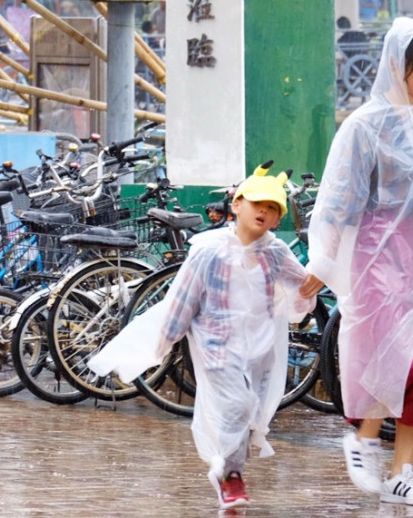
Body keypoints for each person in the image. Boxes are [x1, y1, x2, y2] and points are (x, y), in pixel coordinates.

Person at [299, 18, 413, 507]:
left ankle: (402, 471)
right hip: (380, 263)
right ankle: (363, 435)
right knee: (397, 358)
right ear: (393, 64)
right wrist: (323, 262)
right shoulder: (365, 126)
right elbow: (341, 200)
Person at [89, 162, 315, 510]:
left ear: (277, 219)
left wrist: (315, 285)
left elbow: (302, 292)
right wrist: (164, 342)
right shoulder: (209, 252)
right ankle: (228, 474)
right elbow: (182, 300)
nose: (264, 212)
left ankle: (232, 472)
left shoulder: (276, 252)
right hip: (217, 346)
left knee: (249, 410)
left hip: (260, 347)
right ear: (237, 205)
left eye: (272, 208)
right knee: (237, 406)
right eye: (258, 204)